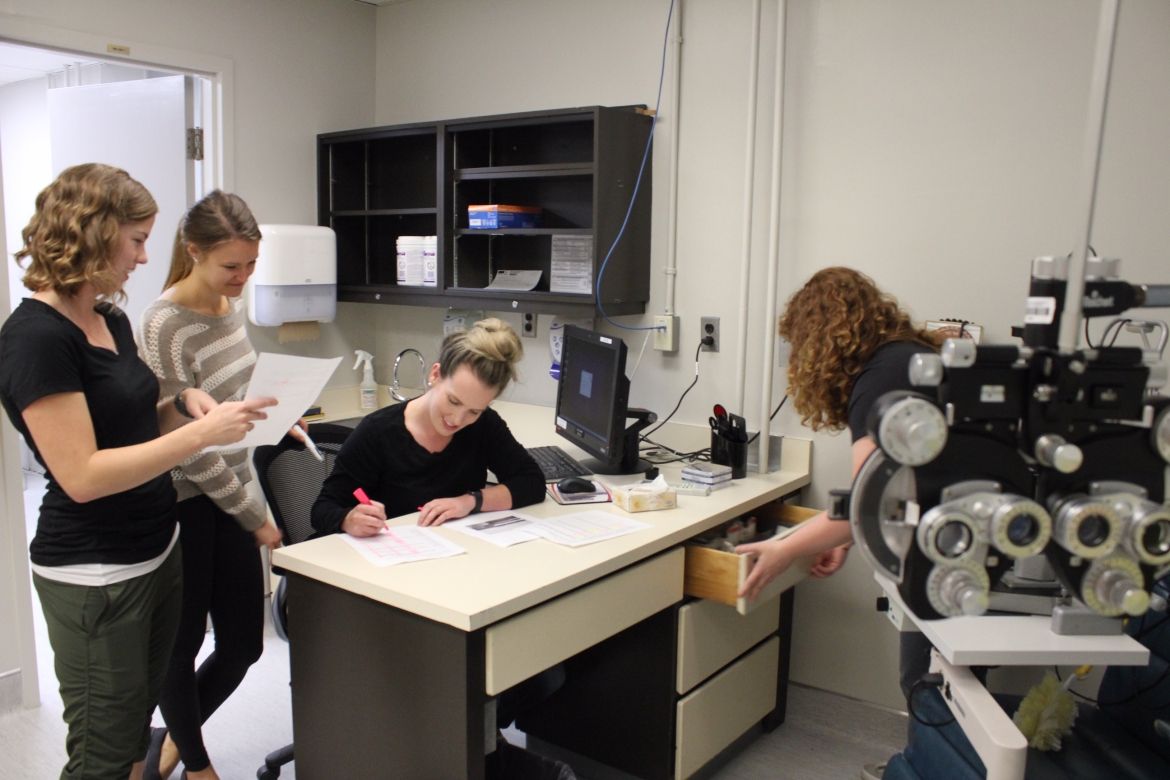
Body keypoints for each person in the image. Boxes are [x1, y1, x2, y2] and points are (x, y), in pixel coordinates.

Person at [0, 163, 274, 780]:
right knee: (101, 752)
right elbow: (84, 474)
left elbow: (129, 423)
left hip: (156, 550)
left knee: (130, 743)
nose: (147, 257)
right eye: (137, 239)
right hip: (98, 571)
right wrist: (201, 435)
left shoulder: (110, 318)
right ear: (91, 234)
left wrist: (180, 407)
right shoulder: (35, 339)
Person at [735, 266, 942, 697]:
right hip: (958, 532)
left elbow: (871, 505)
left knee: (928, 687)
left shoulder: (880, 380)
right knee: (938, 685)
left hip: (946, 549)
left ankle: (931, 762)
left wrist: (784, 549)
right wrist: (839, 538)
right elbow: (880, 489)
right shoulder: (904, 358)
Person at [137, 191, 283, 780]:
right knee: (182, 644)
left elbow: (230, 398)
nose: (243, 277)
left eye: (251, 264)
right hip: (189, 500)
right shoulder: (165, 326)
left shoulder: (229, 306)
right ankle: (196, 765)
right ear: (193, 252)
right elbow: (187, 446)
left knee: (245, 643)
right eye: (232, 266)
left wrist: (281, 412)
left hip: (233, 487)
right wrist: (254, 515)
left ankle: (173, 739)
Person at [311, 317, 545, 536]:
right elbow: (323, 509)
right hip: (389, 560)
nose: (457, 419)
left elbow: (531, 482)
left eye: (474, 411)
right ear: (436, 374)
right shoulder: (378, 431)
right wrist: (348, 519)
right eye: (453, 401)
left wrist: (469, 501)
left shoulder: (484, 425)